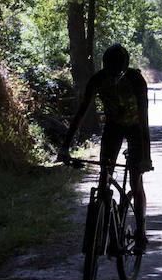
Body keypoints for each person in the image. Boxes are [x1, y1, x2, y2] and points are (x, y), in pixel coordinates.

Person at [59, 44, 153, 253]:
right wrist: (65, 147)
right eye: (109, 73)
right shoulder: (97, 80)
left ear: (125, 69)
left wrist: (146, 157)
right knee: (104, 174)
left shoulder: (136, 81)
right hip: (114, 126)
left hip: (136, 128)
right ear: (104, 68)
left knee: (136, 181)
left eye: (117, 74)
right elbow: (81, 114)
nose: (112, 78)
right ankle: (102, 223)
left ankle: (140, 234)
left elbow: (144, 121)